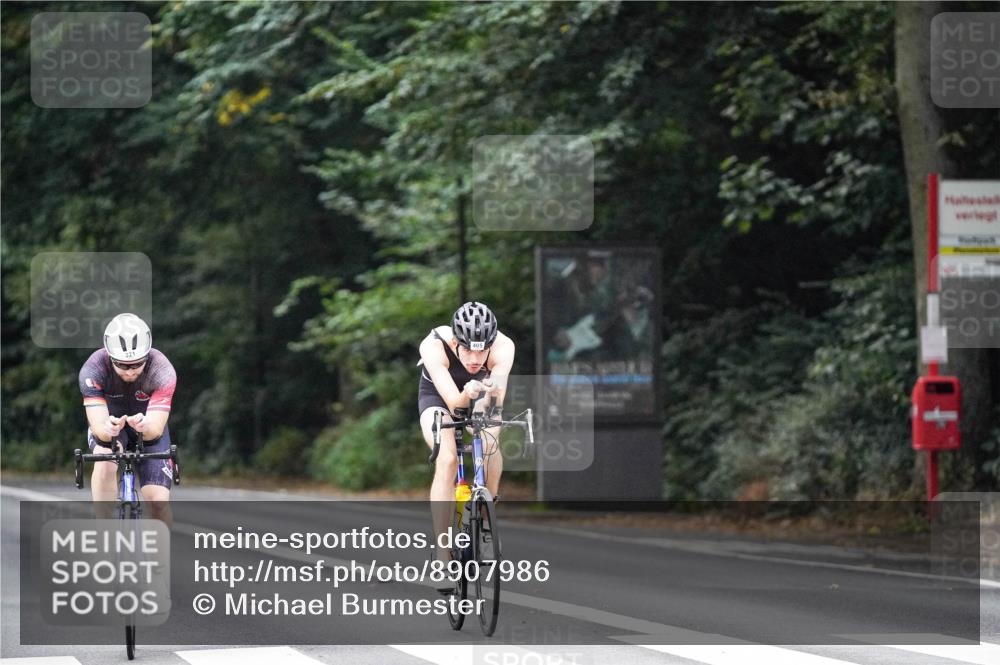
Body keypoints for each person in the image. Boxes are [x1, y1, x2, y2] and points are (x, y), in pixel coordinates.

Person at [417, 302, 515, 566]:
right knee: (447, 458)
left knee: (491, 439)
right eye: (468, 350)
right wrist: (467, 394)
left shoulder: (504, 347)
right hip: (438, 398)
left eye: (482, 351)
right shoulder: (434, 345)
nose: (475, 359)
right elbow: (454, 403)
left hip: (481, 395)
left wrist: (487, 398)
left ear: (491, 344)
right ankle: (442, 551)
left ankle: (485, 522)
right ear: (455, 341)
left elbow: (497, 402)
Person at [79, 313, 177, 523]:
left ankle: (160, 555)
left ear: (147, 356)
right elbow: (98, 427)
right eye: (123, 365)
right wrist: (109, 429)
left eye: (137, 364)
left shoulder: (162, 369)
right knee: (105, 458)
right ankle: (103, 529)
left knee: (158, 502)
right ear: (110, 357)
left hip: (148, 426)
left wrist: (145, 425)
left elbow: (155, 430)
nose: (131, 371)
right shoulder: (94, 368)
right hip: (110, 426)